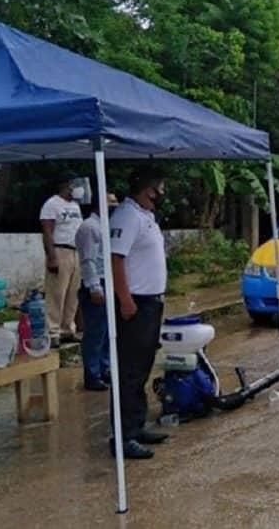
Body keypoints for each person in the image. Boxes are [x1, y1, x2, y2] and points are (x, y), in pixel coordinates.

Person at [108, 168, 170, 459]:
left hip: (151, 303)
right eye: (160, 187)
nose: (162, 193)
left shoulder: (145, 215)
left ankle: (136, 426)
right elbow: (115, 259)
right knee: (129, 371)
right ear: (149, 189)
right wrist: (125, 300)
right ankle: (123, 437)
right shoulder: (127, 216)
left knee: (142, 368)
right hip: (136, 305)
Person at [76, 190, 119, 392]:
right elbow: (88, 260)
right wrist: (93, 286)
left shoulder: (106, 225)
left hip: (109, 281)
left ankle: (104, 368)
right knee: (95, 332)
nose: (114, 205)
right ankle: (92, 374)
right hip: (96, 283)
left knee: (108, 330)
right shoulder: (89, 227)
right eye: (110, 202)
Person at [40, 172, 85, 345]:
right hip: (60, 251)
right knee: (56, 293)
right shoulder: (52, 204)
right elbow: (48, 231)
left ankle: (67, 328)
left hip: (76, 251)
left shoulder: (75, 205)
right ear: (67, 185)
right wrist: (51, 256)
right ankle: (53, 331)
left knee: (73, 293)